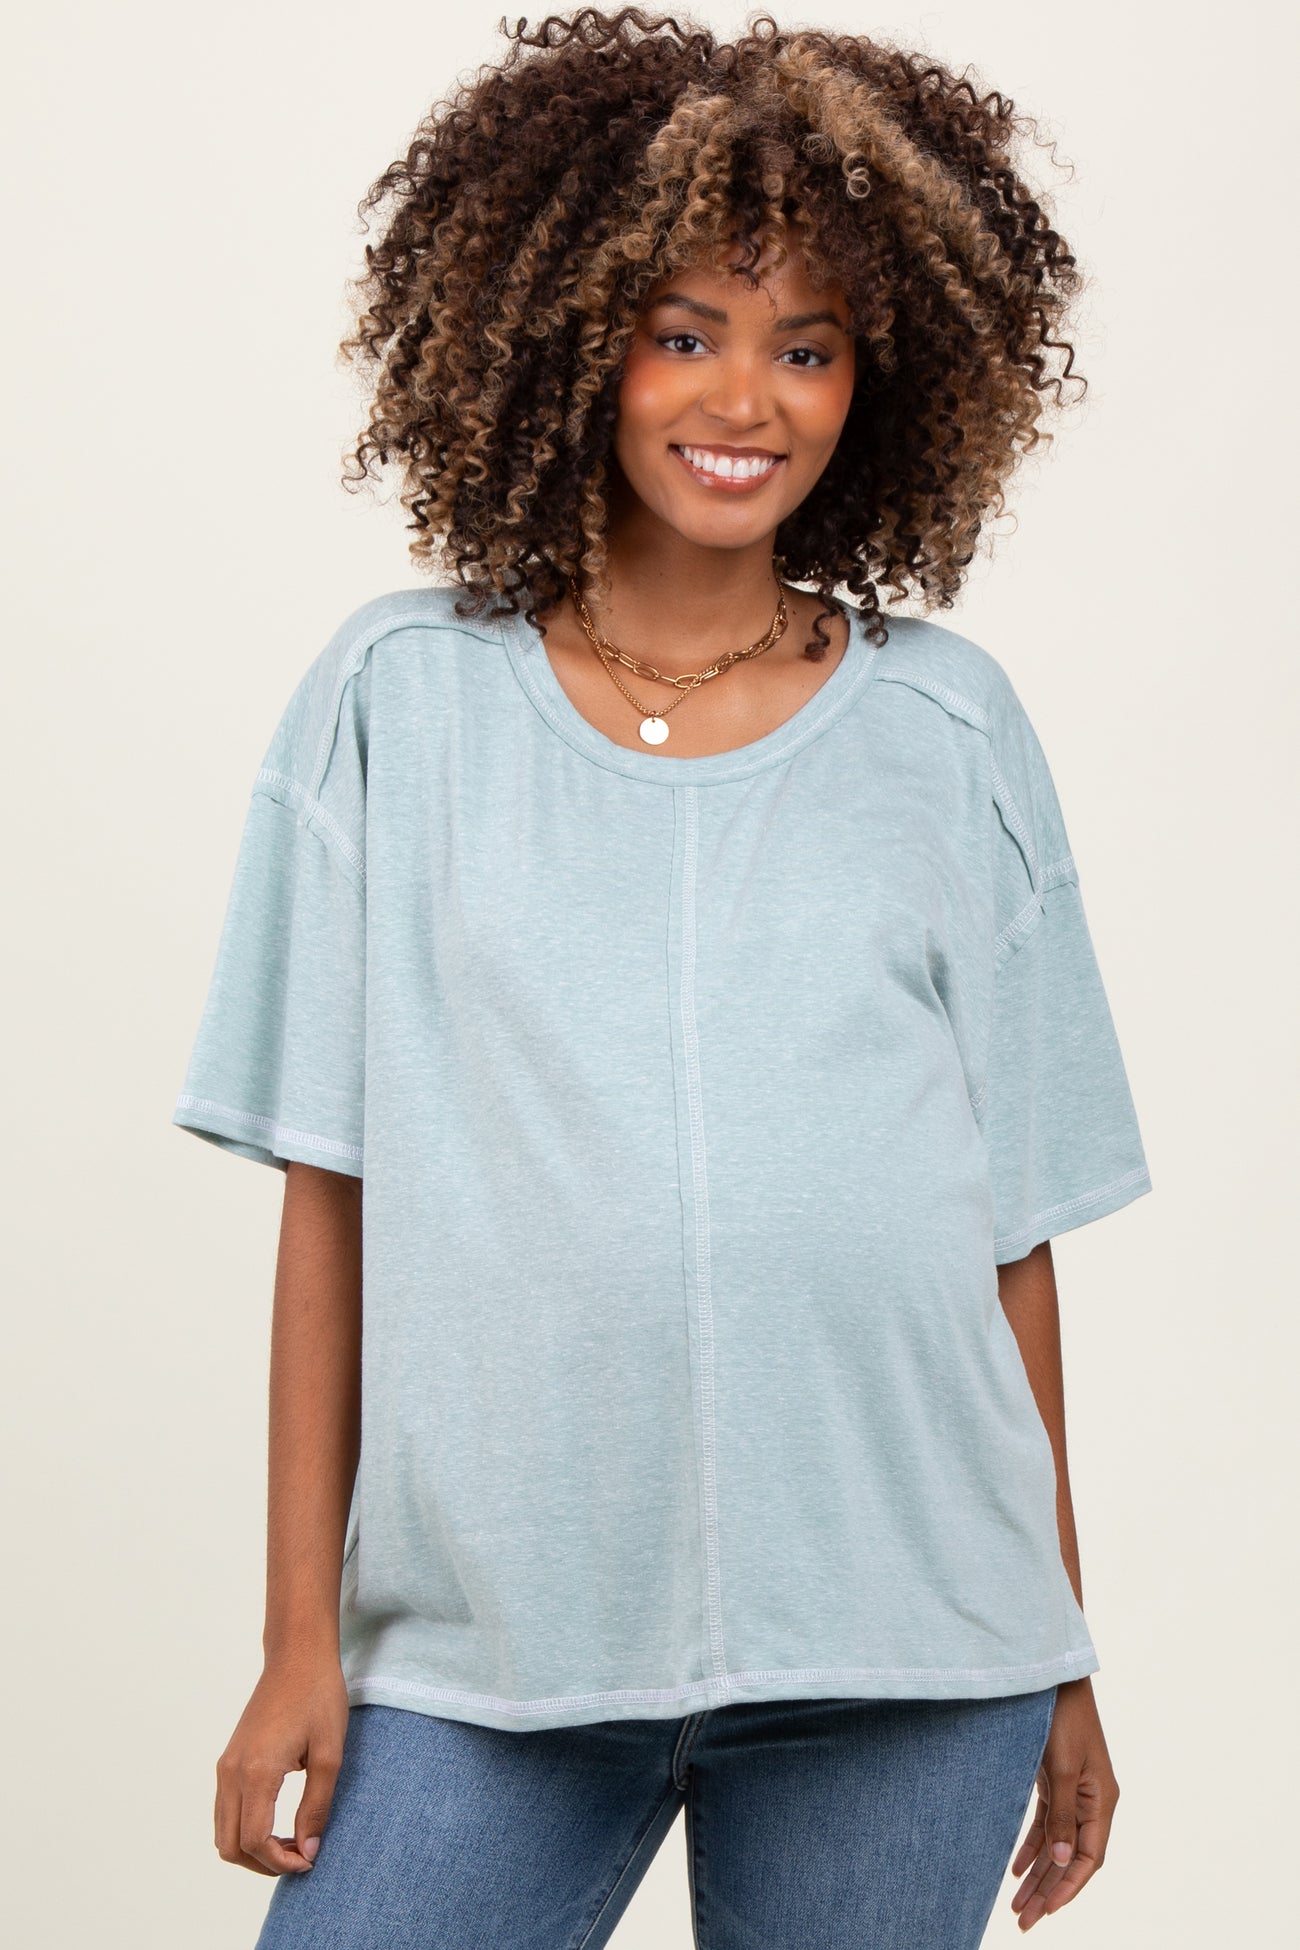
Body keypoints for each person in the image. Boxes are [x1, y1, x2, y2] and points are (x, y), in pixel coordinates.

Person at [172, 10, 1153, 1945]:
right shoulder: (395, 703)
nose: (748, 398)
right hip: (489, 1653)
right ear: (568, 339)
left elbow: (1009, 1237)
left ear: (882, 382)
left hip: (908, 1652)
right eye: (686, 330)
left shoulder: (950, 730)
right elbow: (330, 1201)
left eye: (809, 347)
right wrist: (299, 1639)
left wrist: (1061, 1645)